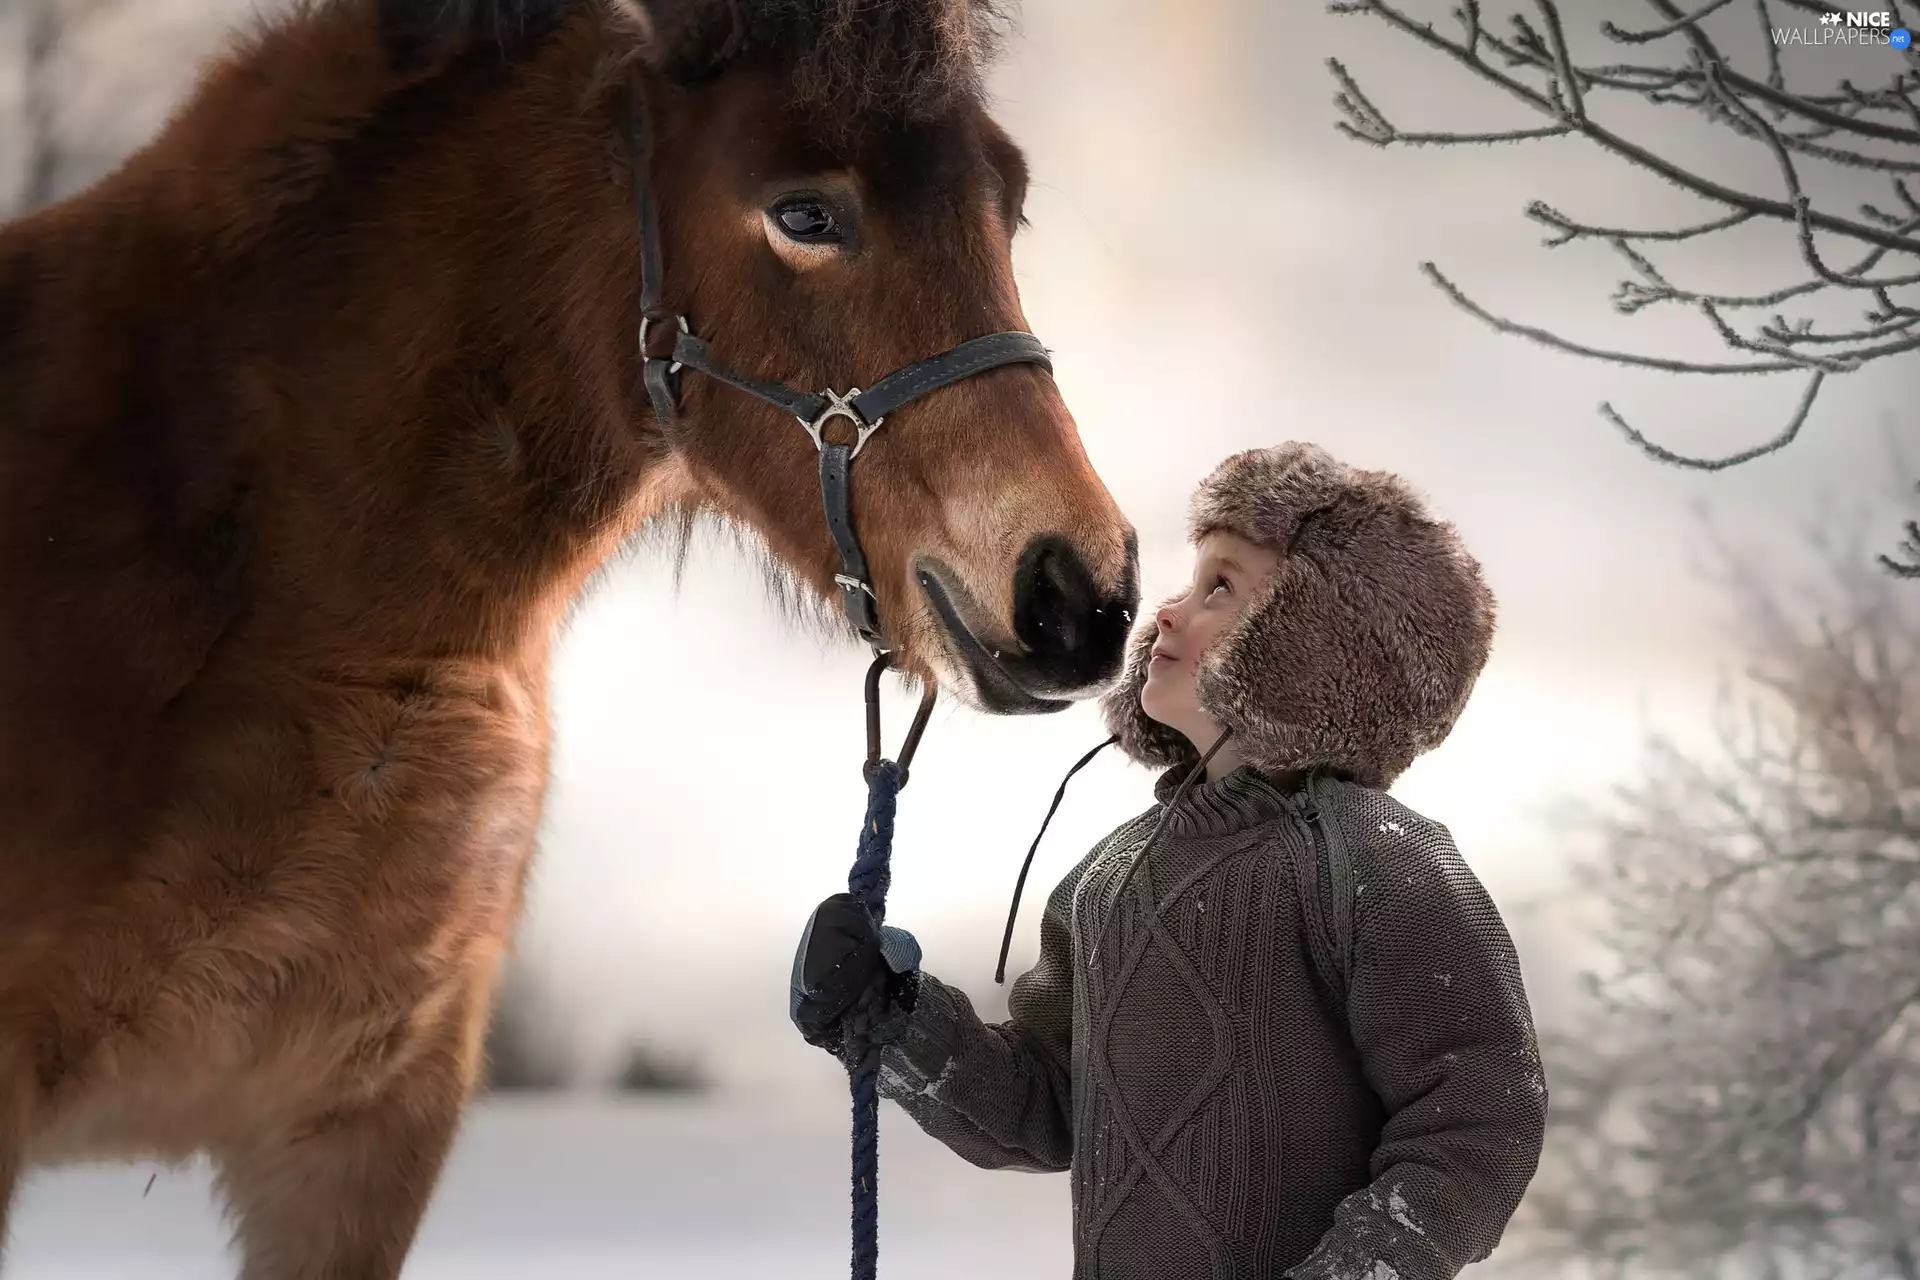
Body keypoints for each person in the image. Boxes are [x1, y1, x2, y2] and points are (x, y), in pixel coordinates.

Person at [789, 441, 1548, 1279]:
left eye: (1221, 587)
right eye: (1188, 583)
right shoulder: (1110, 877)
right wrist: (896, 1019)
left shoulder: (1379, 862)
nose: (1170, 611)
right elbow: (1045, 1104)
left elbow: (1480, 1123)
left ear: (1316, 639)